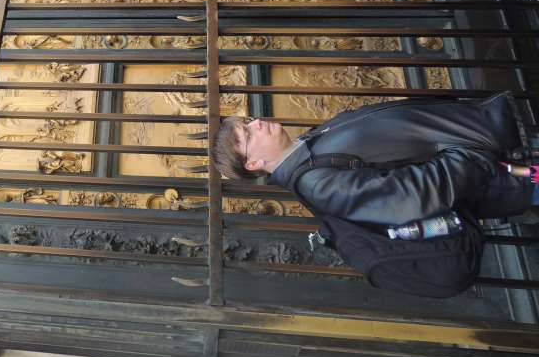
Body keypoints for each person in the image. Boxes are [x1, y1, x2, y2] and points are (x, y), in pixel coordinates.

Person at [211, 94, 539, 225]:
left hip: (500, 136)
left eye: (248, 121)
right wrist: (481, 159)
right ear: (252, 164)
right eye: (248, 135)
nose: (256, 124)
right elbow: (416, 195)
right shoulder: (317, 184)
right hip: (511, 167)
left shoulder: (309, 146)